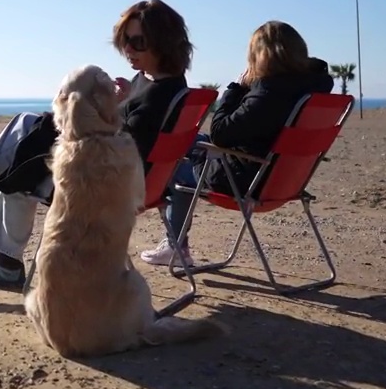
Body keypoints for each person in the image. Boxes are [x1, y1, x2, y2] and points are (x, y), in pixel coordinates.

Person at [0, 0, 194, 289]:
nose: (128, 50)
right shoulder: (159, 83)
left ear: (162, 41)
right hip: (112, 176)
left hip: (105, 188)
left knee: (22, 165)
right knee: (26, 134)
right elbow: (122, 135)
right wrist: (117, 102)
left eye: (138, 42)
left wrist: (105, 109)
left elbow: (123, 148)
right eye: (125, 41)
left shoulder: (159, 95)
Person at [138, 20, 334, 267]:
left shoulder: (269, 94)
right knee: (189, 141)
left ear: (261, 56)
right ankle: (175, 245)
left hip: (245, 181)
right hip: (282, 180)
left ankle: (176, 246)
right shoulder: (313, 91)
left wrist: (236, 88)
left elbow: (219, 132)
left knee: (172, 165)